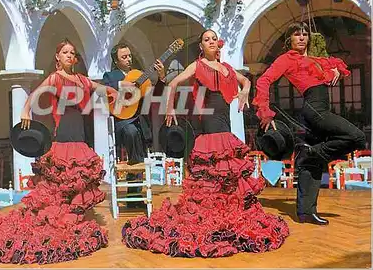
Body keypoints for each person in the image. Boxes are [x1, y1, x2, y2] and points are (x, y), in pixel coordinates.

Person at [0, 39, 118, 265]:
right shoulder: (55, 78)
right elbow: (36, 94)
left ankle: (73, 220)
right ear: (58, 57)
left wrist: (115, 94)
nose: (69, 56)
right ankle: (62, 222)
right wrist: (25, 110)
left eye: (72, 53)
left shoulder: (82, 79)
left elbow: (104, 89)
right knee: (61, 182)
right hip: (62, 135)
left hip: (80, 135)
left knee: (78, 181)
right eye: (65, 52)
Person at [122, 29, 289, 258]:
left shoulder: (227, 69)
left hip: (225, 122)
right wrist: (170, 108)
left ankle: (228, 212)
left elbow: (245, 81)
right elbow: (172, 84)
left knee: (228, 169)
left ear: (218, 45)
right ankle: (211, 213)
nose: (211, 42)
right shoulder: (198, 66)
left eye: (214, 39)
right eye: (207, 40)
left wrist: (245, 92)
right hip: (210, 124)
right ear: (201, 46)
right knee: (214, 168)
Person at [253, 22, 366, 225]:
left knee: (312, 165)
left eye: (305, 34)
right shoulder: (286, 59)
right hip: (315, 110)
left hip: (318, 109)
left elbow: (334, 68)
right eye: (297, 35)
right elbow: (264, 80)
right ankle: (310, 153)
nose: (302, 38)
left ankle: (306, 212)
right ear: (290, 39)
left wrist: (336, 71)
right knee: (358, 137)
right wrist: (265, 111)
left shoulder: (315, 60)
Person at [102, 43, 166, 206]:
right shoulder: (111, 76)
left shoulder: (139, 76)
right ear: (116, 61)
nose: (129, 59)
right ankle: (134, 192)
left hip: (139, 123)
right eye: (124, 57)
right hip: (122, 123)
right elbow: (103, 90)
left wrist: (161, 78)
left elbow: (155, 95)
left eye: (130, 56)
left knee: (137, 140)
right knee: (131, 132)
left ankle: (134, 196)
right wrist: (121, 85)